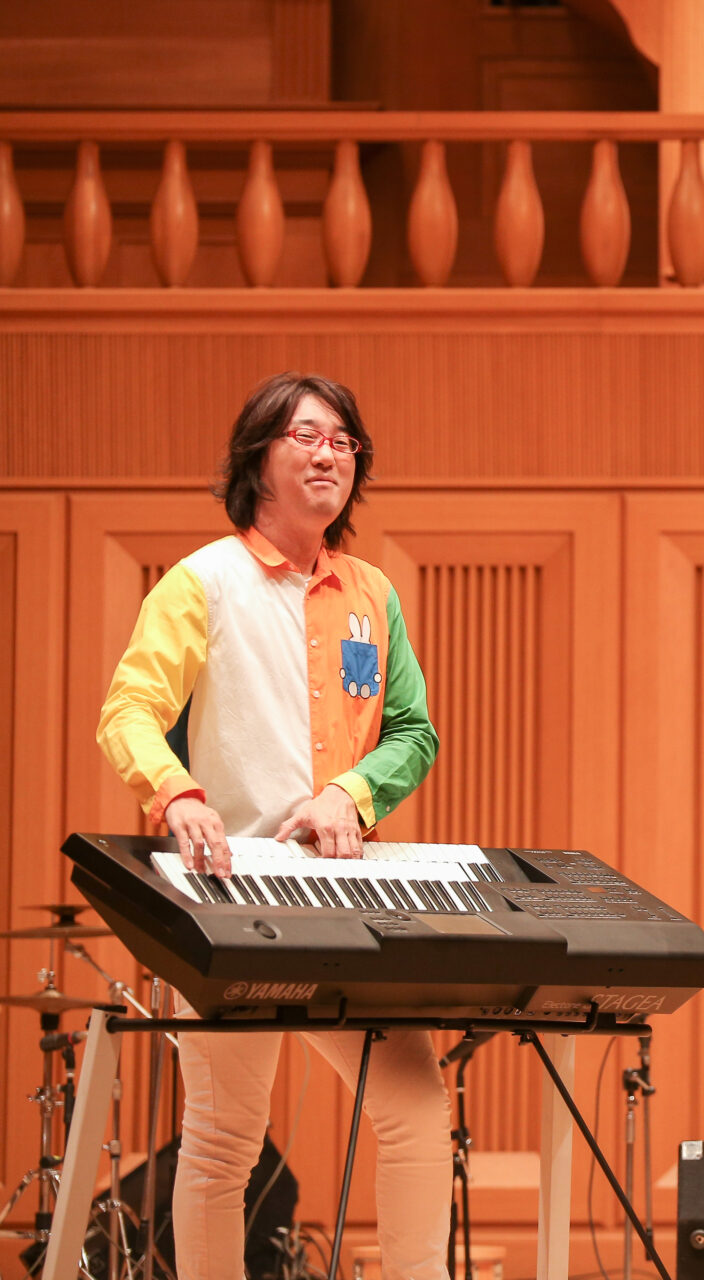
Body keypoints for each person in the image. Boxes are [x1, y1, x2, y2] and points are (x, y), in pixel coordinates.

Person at [97, 372, 450, 1280]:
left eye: (343, 440)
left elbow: (414, 732)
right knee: (223, 1142)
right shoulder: (202, 582)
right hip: (230, 895)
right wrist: (176, 793)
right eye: (306, 435)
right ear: (258, 458)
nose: (329, 453)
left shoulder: (373, 591)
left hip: (351, 897)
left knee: (416, 1109)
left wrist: (353, 794)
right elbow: (129, 711)